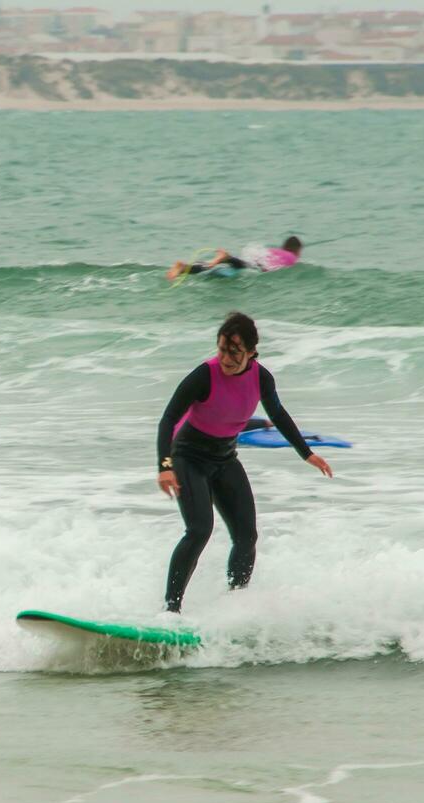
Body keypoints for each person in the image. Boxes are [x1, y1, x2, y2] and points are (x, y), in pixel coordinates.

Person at [157, 312, 333, 612]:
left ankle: (236, 605)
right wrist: (165, 466)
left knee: (246, 535)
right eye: (222, 349)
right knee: (199, 530)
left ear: (251, 352)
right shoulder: (204, 375)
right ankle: (171, 610)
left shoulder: (261, 378)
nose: (225, 358)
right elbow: (169, 418)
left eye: (234, 352)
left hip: (225, 458)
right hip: (189, 457)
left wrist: (307, 453)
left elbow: (278, 415)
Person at [167, 236, 302, 280]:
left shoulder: (274, 250)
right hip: (259, 264)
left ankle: (184, 267)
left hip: (253, 257)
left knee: (215, 267)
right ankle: (226, 257)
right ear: (297, 250)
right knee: (244, 265)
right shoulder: (292, 257)